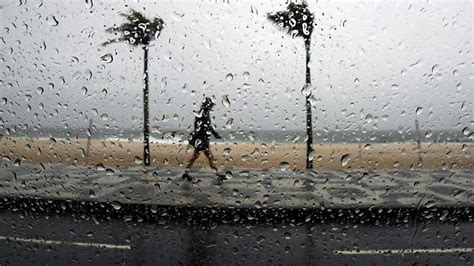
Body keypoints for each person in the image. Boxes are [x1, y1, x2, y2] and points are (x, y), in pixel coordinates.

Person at [182, 97, 225, 182]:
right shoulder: (202, 113)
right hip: (201, 141)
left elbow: (207, 126)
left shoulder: (205, 112)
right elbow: (199, 127)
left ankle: (186, 173)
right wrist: (203, 139)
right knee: (210, 157)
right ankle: (218, 175)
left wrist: (214, 134)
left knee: (195, 157)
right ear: (207, 105)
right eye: (211, 105)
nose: (212, 107)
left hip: (201, 140)